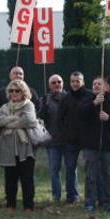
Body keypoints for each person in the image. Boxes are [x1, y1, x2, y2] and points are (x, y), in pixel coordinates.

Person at [78, 76, 110, 213]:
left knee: (107, 175)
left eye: (99, 84)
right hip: (90, 145)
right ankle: (89, 202)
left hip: (108, 145)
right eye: (94, 84)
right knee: (91, 175)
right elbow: (80, 115)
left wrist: (109, 118)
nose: (96, 86)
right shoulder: (86, 100)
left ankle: (108, 201)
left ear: (105, 87)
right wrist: (94, 103)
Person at [0, 79, 39, 212]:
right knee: (10, 179)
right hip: (8, 148)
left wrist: (8, 122)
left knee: (27, 178)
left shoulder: (28, 105)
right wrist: (17, 119)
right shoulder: (4, 107)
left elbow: (30, 121)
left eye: (17, 90)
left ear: (23, 92)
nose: (14, 93)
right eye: (11, 91)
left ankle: (28, 206)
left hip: (26, 148)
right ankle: (11, 204)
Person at [55, 71, 91, 204]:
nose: (75, 84)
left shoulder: (90, 96)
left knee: (90, 169)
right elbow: (60, 119)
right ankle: (72, 196)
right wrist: (65, 134)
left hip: (87, 139)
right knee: (70, 169)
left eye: (78, 81)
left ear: (83, 82)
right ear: (70, 82)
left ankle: (90, 195)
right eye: (73, 81)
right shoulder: (66, 98)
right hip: (70, 141)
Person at [40, 74, 68, 203]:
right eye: (53, 82)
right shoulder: (45, 99)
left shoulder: (69, 98)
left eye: (59, 82)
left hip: (68, 141)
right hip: (52, 141)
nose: (57, 84)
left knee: (71, 169)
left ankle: (72, 195)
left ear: (63, 83)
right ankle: (56, 195)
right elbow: (41, 119)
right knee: (54, 170)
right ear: (49, 85)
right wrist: (43, 108)